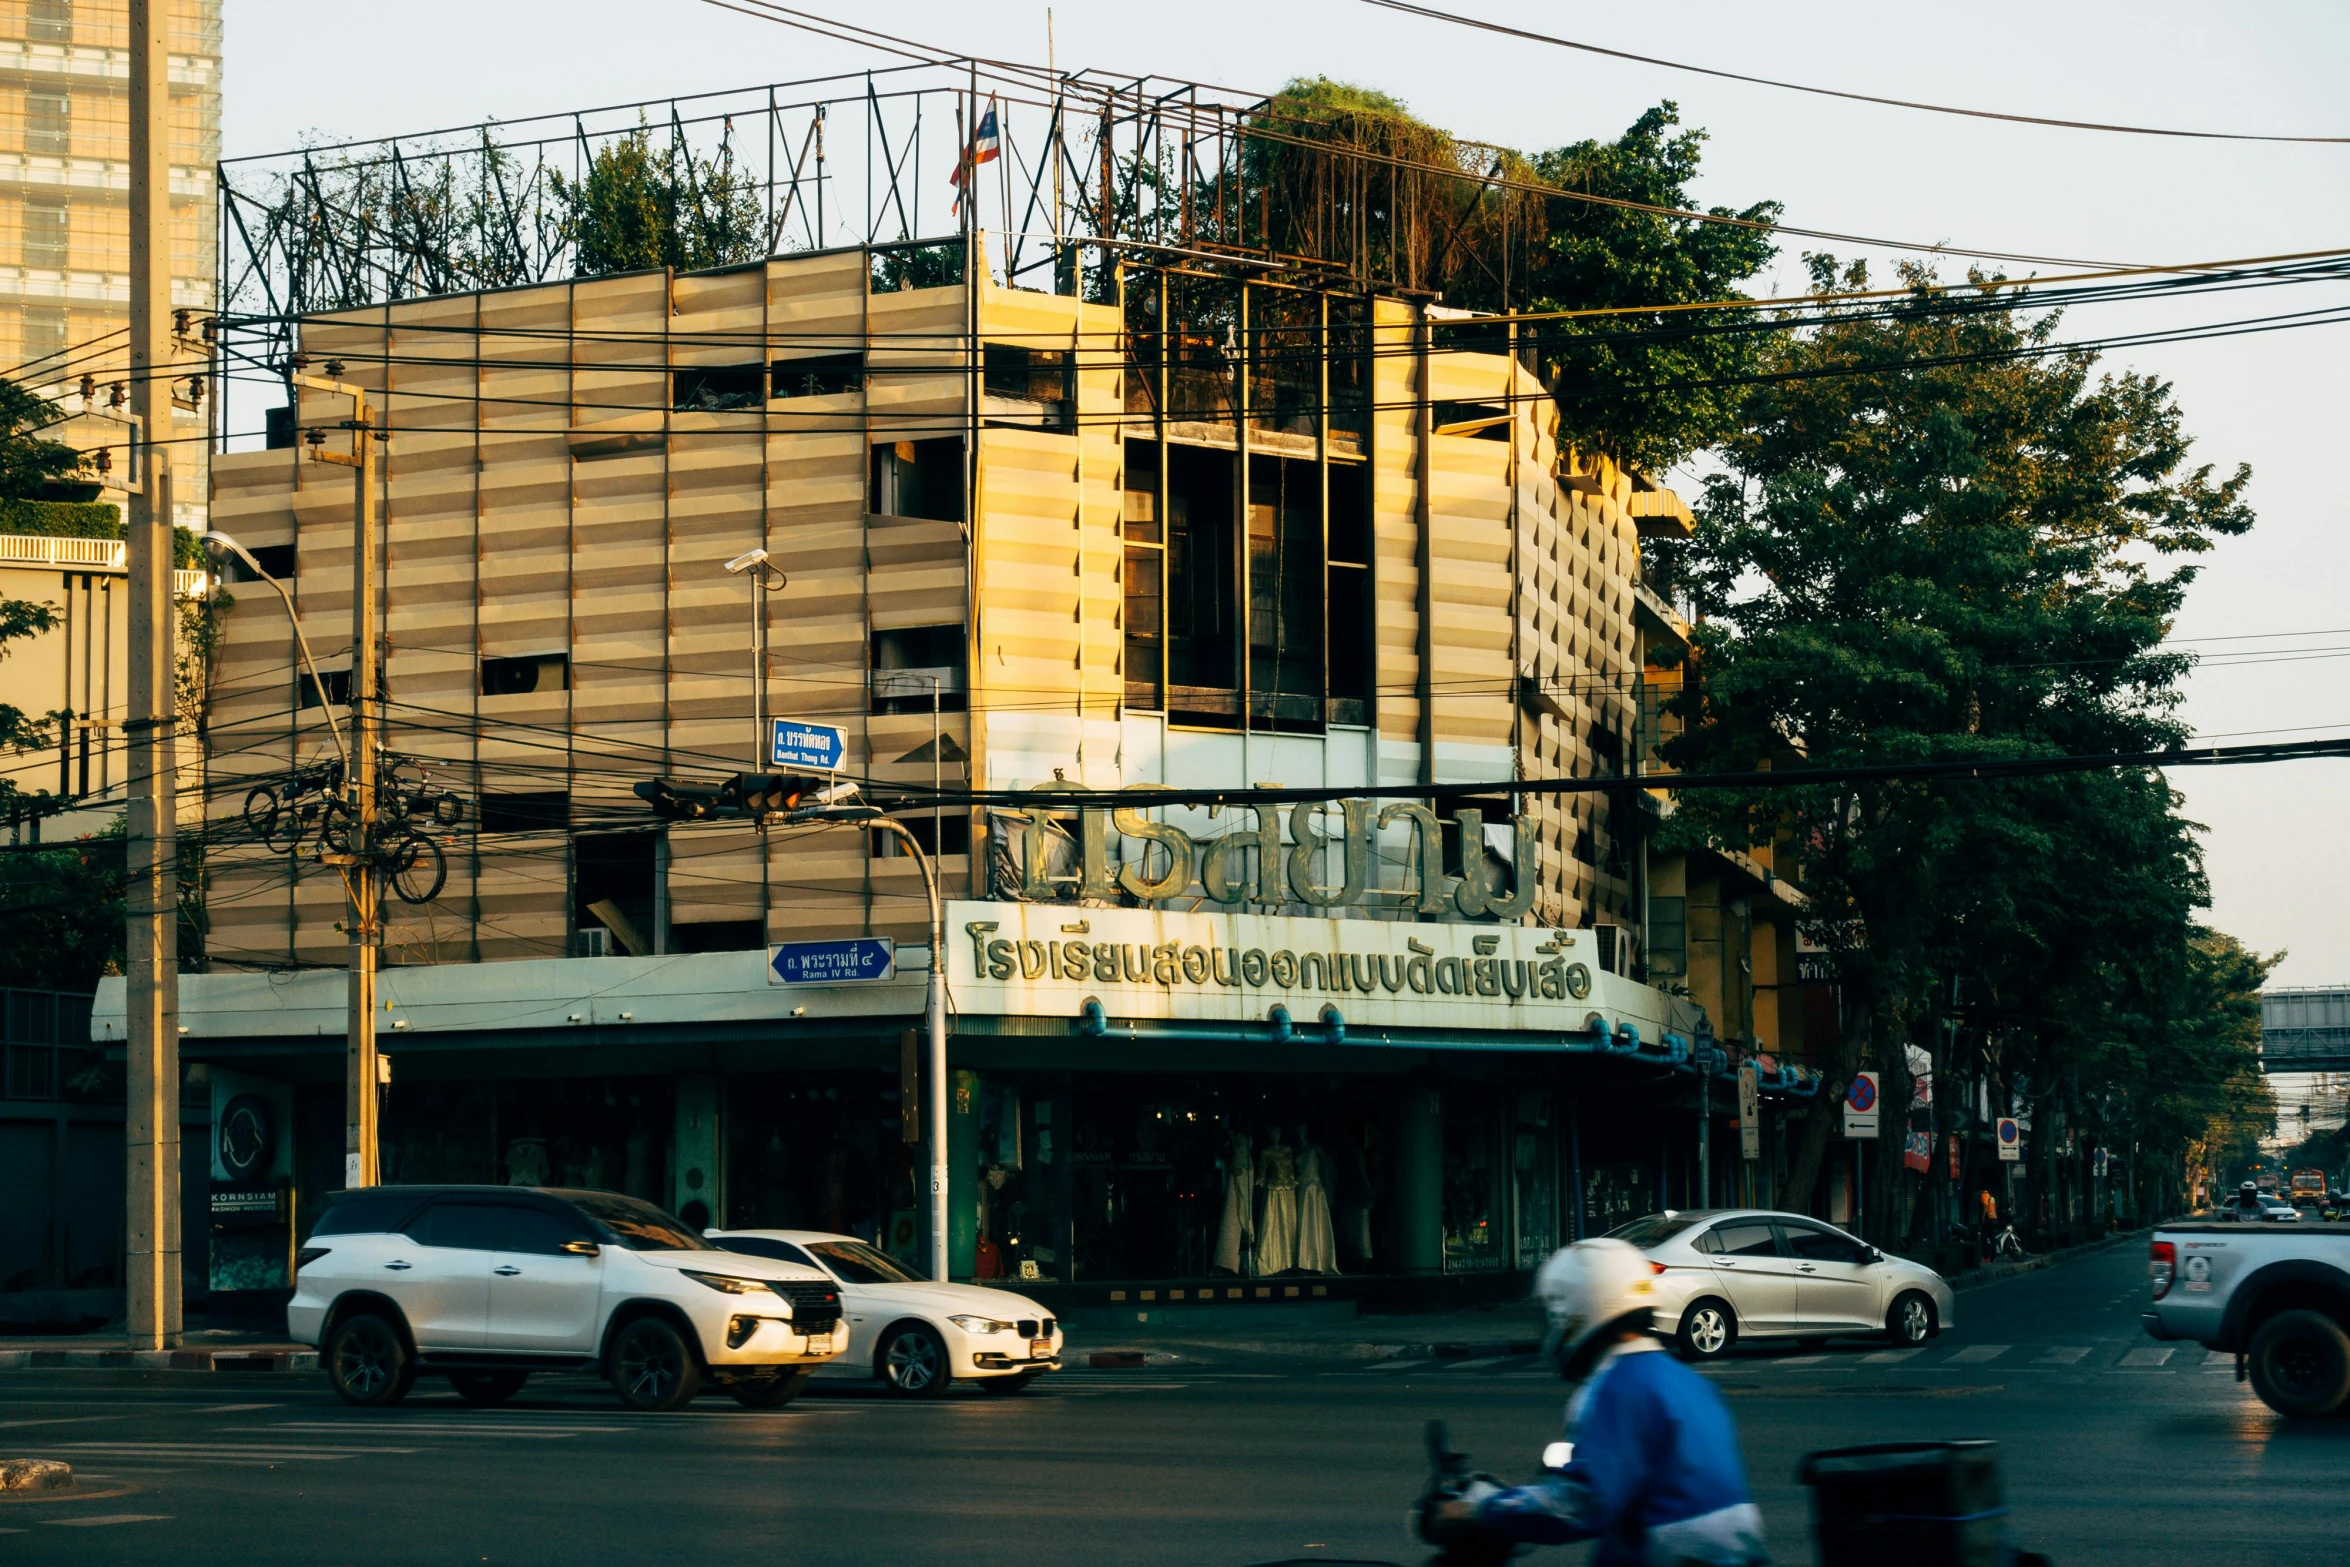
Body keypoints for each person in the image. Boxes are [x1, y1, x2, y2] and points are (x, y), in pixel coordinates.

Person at [1421, 1237, 1767, 1567]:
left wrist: (1476, 1509)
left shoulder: (1616, 1386)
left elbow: (1580, 1503)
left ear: (1572, 1310)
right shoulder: (1690, 1382)